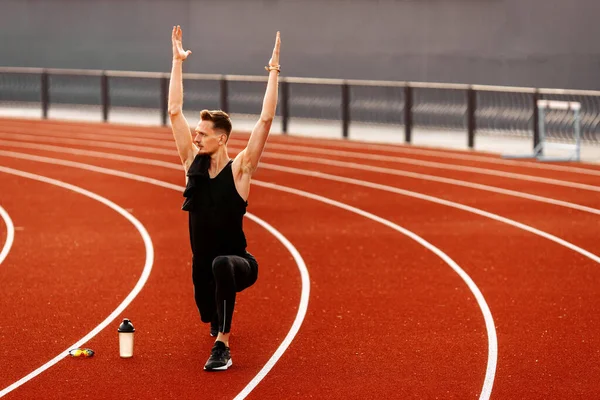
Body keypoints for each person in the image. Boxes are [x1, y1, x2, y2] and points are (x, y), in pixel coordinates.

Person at [168, 25, 280, 371]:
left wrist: (274, 71)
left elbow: (265, 119)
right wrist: (177, 62)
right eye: (196, 133)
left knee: (222, 266)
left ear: (222, 138)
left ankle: (223, 347)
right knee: (208, 308)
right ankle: (217, 319)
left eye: (202, 134)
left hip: (238, 263)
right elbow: (174, 112)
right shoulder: (192, 165)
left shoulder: (241, 169)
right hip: (201, 268)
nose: (196, 137)